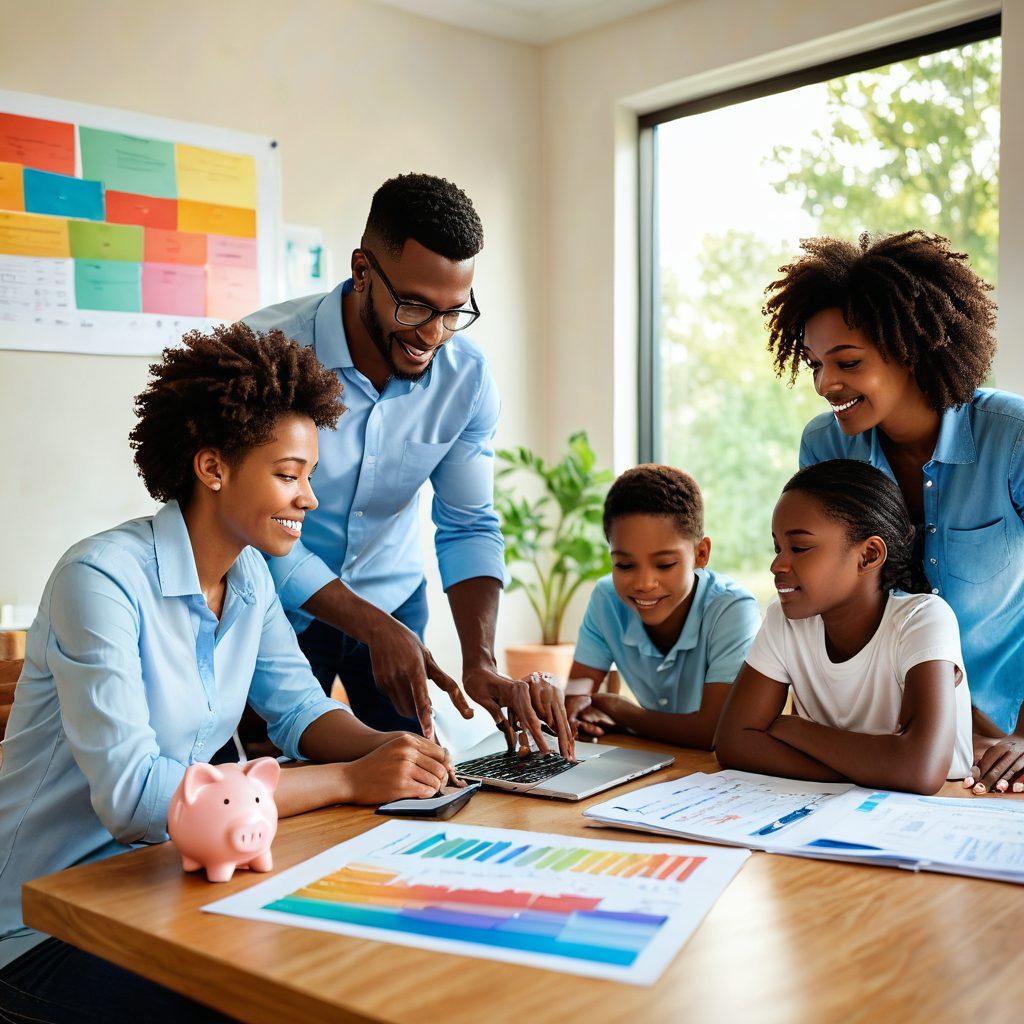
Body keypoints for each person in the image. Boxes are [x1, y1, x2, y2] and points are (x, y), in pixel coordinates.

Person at [0, 324, 456, 1022]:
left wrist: (393, 753)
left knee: (357, 961)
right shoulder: (100, 578)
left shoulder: (247, 577)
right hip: (48, 928)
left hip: (162, 888)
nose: (309, 498)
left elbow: (301, 712)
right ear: (213, 467)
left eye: (309, 476)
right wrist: (346, 780)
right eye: (287, 474)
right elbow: (134, 799)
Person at [244, 173, 571, 757]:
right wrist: (370, 625)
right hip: (271, 607)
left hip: (393, 604)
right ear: (363, 271)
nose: (432, 334)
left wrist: (481, 660)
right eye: (415, 305)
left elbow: (468, 522)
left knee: (415, 781)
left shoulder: (465, 379)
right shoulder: (267, 354)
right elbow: (251, 528)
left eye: (454, 312)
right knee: (269, 785)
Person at [762, 230, 1024, 794]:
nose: (826, 384)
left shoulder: (1013, 438)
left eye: (848, 362)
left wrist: (1021, 736)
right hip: (883, 742)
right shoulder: (826, 446)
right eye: (814, 364)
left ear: (911, 348)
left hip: (1003, 750)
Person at [715, 460, 973, 794]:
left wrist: (793, 730)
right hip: (831, 805)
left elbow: (919, 769)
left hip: (943, 809)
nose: (777, 565)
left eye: (800, 548)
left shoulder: (923, 620)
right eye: (778, 547)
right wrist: (872, 766)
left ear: (868, 555)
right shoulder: (785, 621)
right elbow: (733, 743)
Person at [563, 465, 760, 749]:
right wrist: (578, 706)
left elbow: (714, 731)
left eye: (665, 564)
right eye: (625, 565)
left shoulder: (732, 609)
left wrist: (623, 711)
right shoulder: (607, 598)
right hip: (657, 758)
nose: (644, 583)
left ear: (700, 553)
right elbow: (579, 688)